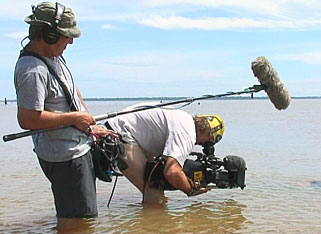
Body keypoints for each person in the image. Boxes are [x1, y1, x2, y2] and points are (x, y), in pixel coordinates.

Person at [14, 2, 108, 231]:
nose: (71, 41)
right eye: (67, 36)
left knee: (82, 218)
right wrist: (74, 119)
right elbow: (28, 119)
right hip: (65, 158)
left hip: (76, 149)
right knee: (73, 222)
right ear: (49, 33)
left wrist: (89, 123)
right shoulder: (32, 69)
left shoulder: (54, 57)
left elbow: (72, 90)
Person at [105, 108, 225, 203]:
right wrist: (191, 190)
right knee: (153, 191)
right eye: (208, 143)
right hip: (121, 135)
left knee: (159, 190)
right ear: (209, 135)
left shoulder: (184, 119)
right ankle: (153, 226)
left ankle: (159, 222)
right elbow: (172, 172)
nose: (202, 145)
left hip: (123, 129)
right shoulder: (187, 133)